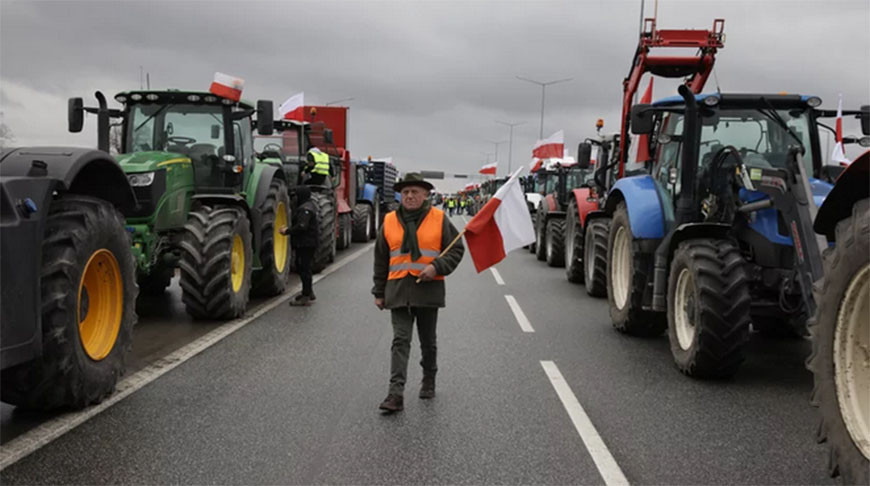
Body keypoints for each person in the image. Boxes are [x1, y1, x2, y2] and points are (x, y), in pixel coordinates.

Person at [372, 173, 464, 413]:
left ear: (425, 195)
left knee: (428, 342)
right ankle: (395, 394)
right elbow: (381, 259)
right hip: (398, 291)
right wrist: (378, 292)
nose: (410, 196)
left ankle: (429, 379)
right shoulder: (390, 220)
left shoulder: (439, 219)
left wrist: (436, 267)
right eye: (405, 193)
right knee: (400, 341)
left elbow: (456, 250)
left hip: (428, 291)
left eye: (415, 192)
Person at [280, 186, 319, 306]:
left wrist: (287, 231)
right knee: (302, 266)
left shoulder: (305, 209)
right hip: (306, 243)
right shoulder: (309, 205)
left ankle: (306, 296)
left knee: (304, 268)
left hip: (306, 243)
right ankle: (308, 292)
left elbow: (302, 226)